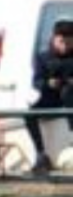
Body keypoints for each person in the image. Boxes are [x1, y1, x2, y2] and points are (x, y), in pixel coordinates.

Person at [32, 21, 73, 172]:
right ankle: (41, 153)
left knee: (68, 91)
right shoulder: (43, 57)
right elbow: (36, 82)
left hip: (71, 99)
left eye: (69, 43)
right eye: (61, 42)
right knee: (29, 114)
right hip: (51, 98)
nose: (65, 46)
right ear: (54, 38)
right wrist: (48, 83)